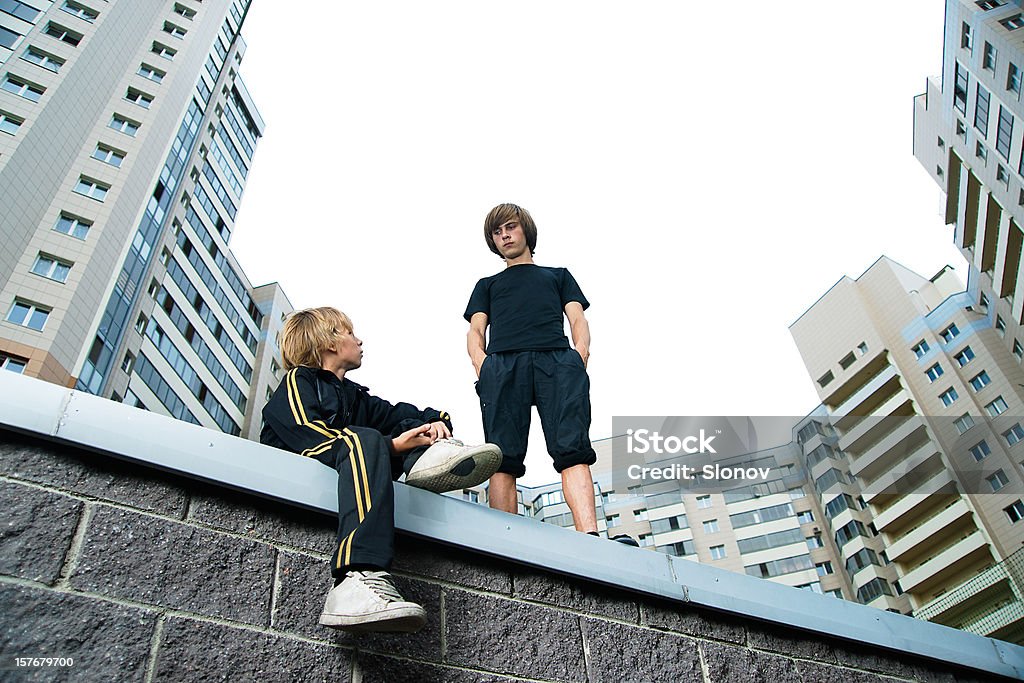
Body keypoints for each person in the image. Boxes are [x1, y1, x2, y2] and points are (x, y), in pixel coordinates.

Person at [261, 307, 501, 633]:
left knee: (396, 428)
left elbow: (398, 415)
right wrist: (388, 447)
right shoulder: (298, 381)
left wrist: (433, 424)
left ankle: (425, 461)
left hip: (353, 468)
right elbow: (308, 434)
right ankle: (355, 578)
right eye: (349, 333)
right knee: (368, 440)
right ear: (330, 343)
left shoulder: (355, 397)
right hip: (299, 465)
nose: (359, 340)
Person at [464, 203, 636, 546]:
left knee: (572, 448)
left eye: (510, 227)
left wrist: (579, 356)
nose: (504, 236)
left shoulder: (557, 276)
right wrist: (483, 365)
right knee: (502, 455)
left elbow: (577, 319)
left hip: (556, 362)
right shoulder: (487, 284)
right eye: (497, 233)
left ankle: (590, 535)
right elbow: (475, 329)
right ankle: (504, 543)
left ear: (525, 230)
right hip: (503, 365)